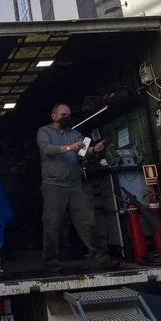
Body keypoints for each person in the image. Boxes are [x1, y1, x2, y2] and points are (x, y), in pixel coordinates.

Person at [37, 103, 117, 272]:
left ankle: (101, 258)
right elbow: (46, 150)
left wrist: (94, 150)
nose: (66, 116)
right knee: (52, 223)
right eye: (63, 114)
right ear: (53, 116)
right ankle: (51, 261)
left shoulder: (75, 133)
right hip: (53, 184)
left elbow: (82, 154)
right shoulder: (44, 132)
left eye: (68, 114)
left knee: (88, 220)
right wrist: (69, 147)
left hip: (74, 183)